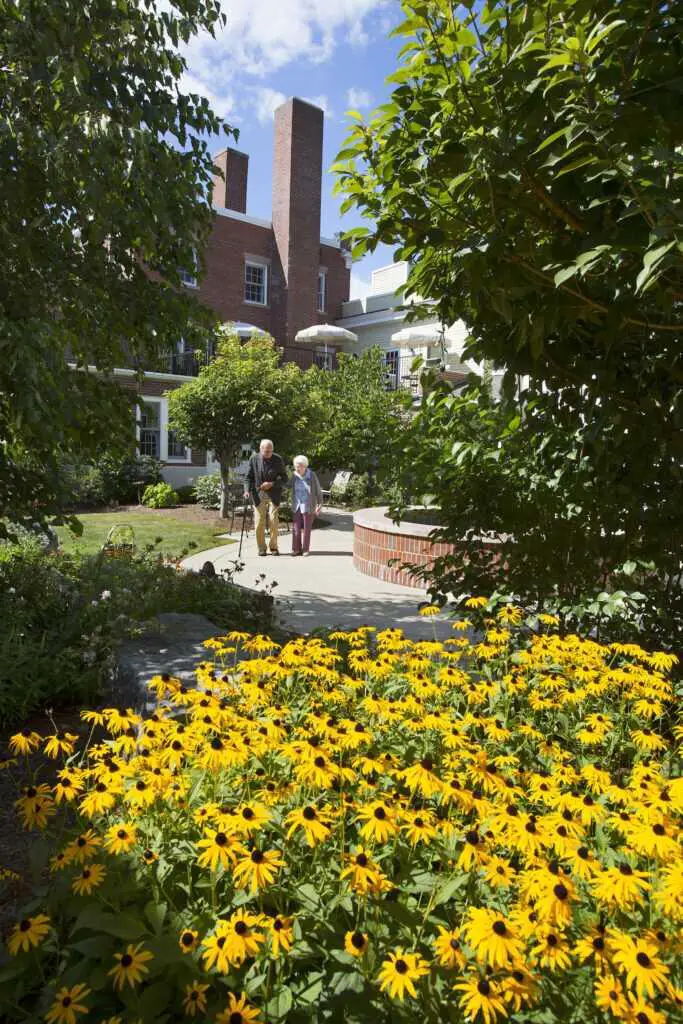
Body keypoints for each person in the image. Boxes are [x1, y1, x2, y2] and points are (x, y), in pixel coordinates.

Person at [245, 439, 288, 556]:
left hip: (274, 494)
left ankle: (273, 547)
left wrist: (272, 483)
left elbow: (285, 478)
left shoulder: (277, 459)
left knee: (273, 520)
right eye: (266, 451)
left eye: (270, 451)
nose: (268, 454)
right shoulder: (254, 459)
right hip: (258, 494)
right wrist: (246, 490)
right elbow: (248, 477)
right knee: (259, 522)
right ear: (260, 449)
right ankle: (261, 548)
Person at [290, 455, 323, 557]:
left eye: (299, 466)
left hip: (308, 505)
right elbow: (287, 485)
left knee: (307, 528)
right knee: (296, 528)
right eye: (296, 466)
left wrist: (320, 504)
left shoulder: (311, 475)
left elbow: (318, 490)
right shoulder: (294, 475)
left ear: (305, 466)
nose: (297, 468)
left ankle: (305, 549)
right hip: (297, 504)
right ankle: (296, 549)